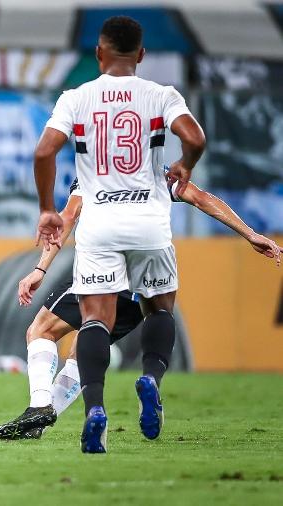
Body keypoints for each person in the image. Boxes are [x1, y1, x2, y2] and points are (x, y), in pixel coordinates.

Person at [33, 16, 208, 453]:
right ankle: (150, 377)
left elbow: (43, 151)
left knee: (94, 320)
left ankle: (95, 410)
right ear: (142, 55)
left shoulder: (76, 98)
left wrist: (46, 209)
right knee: (159, 310)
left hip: (100, 223)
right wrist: (186, 163)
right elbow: (195, 138)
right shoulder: (160, 95)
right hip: (150, 220)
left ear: (99, 53)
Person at [0, 177, 282, 440]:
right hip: (142, 283)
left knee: (41, 330)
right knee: (85, 348)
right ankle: (43, 423)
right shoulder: (156, 169)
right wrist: (250, 233)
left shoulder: (93, 170)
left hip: (102, 272)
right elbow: (201, 197)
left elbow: (69, 215)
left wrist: (40, 268)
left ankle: (40, 407)